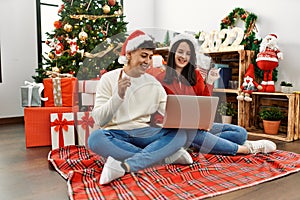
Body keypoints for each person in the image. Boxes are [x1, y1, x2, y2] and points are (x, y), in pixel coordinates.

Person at [88, 30, 193, 185]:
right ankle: (164, 157)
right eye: (144, 56)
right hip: (116, 134)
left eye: (150, 57)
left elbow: (169, 112)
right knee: (95, 139)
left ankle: (125, 166)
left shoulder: (154, 84)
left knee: (179, 134)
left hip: (145, 133)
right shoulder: (108, 79)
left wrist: (190, 117)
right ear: (129, 54)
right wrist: (118, 97)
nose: (148, 61)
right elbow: (99, 119)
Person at [153, 33, 277, 155]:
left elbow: (204, 102)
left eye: (188, 53)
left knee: (241, 133)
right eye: (180, 52)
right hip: (175, 130)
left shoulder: (195, 75)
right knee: (192, 134)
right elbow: (156, 109)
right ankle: (246, 149)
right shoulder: (160, 78)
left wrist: (210, 82)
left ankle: (195, 144)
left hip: (195, 125)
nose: (184, 56)